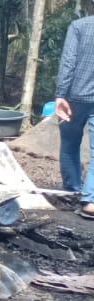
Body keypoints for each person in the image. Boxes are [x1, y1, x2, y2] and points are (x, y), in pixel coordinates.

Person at [55, 13, 94, 219]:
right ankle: (90, 200)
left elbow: (68, 62)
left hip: (75, 97)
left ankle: (72, 190)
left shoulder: (78, 26)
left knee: (69, 143)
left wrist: (61, 94)